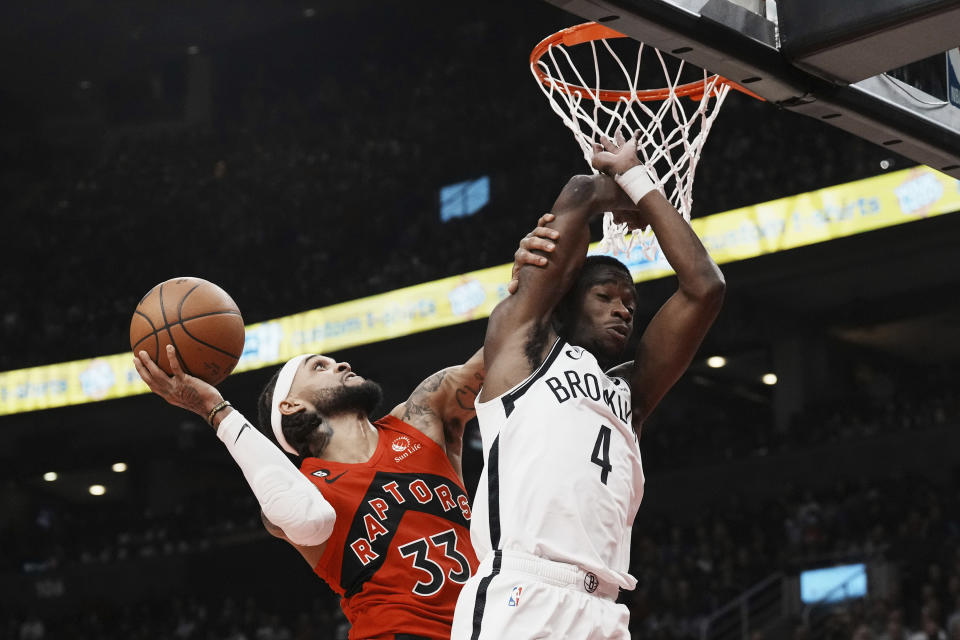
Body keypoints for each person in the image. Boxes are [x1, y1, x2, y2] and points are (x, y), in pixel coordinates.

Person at [132, 219, 562, 640]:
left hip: (489, 627)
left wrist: (536, 275)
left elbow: (507, 347)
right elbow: (293, 512)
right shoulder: (301, 492)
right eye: (318, 366)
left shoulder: (422, 417)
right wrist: (213, 407)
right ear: (291, 404)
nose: (341, 363)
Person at [451, 132, 726, 639]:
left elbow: (705, 288)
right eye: (606, 296)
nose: (623, 308)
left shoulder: (630, 395)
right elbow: (580, 194)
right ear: (568, 302)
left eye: (631, 304)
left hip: (604, 609)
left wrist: (646, 190)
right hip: (523, 591)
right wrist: (621, 182)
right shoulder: (526, 351)